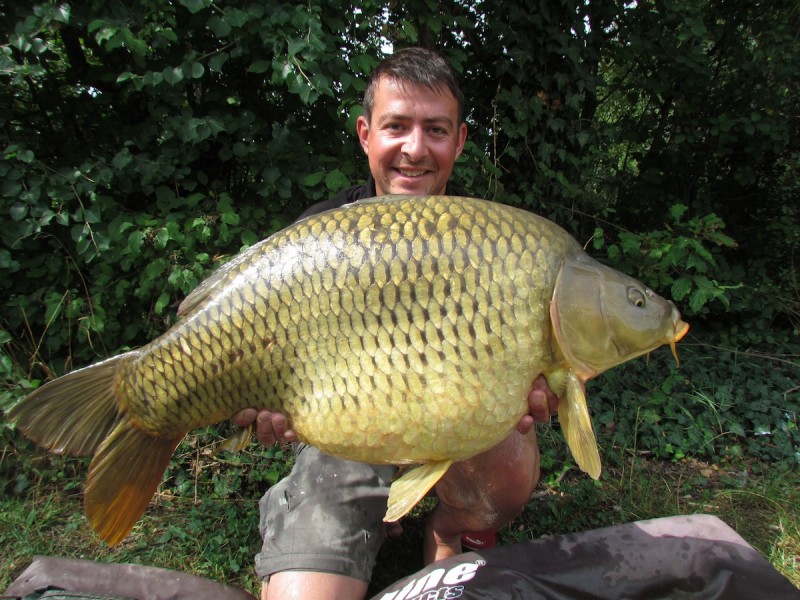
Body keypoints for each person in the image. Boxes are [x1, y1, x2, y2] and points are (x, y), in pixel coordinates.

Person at [232, 47, 558, 600]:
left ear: (459, 140)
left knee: (508, 471)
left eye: (435, 129)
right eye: (396, 127)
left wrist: (546, 381)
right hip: (344, 438)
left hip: (459, 425)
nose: (414, 148)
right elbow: (262, 362)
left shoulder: (494, 244)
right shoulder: (319, 239)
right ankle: (354, 514)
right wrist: (258, 407)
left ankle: (448, 527)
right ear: (365, 135)